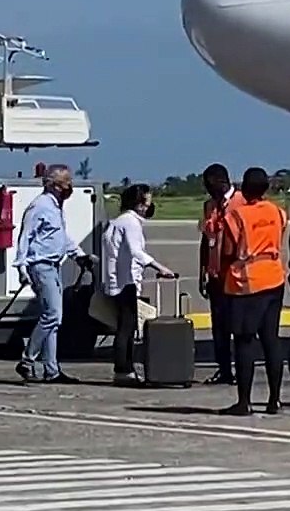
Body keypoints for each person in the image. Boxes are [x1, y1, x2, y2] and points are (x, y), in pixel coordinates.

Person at [14, 164, 96, 384]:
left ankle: (52, 369)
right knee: (53, 315)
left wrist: (79, 256)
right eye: (66, 182)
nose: (69, 186)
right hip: (41, 266)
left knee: (52, 320)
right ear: (53, 184)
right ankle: (27, 359)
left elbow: (60, 238)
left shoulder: (55, 207)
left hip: (53, 265)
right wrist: (22, 267)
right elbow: (25, 236)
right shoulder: (39, 206)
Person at [219, 168, 287, 416]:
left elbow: (228, 250)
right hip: (274, 277)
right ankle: (275, 400)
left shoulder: (236, 216)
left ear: (244, 189)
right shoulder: (277, 212)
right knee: (271, 340)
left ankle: (244, 401)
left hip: (247, 283)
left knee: (245, 341)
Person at [103, 184, 177, 385]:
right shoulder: (131, 223)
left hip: (115, 279)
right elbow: (136, 251)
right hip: (126, 281)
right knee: (126, 327)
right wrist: (159, 267)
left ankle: (124, 368)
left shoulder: (117, 222)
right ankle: (124, 369)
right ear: (138, 204)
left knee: (124, 326)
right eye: (146, 201)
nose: (149, 206)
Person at [199, 163, 239, 385]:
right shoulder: (209, 206)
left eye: (209, 185)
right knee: (219, 326)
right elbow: (206, 239)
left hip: (236, 275)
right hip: (216, 275)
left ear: (220, 181)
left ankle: (241, 368)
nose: (207, 190)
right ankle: (224, 369)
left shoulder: (240, 203)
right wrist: (202, 271)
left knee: (239, 324)